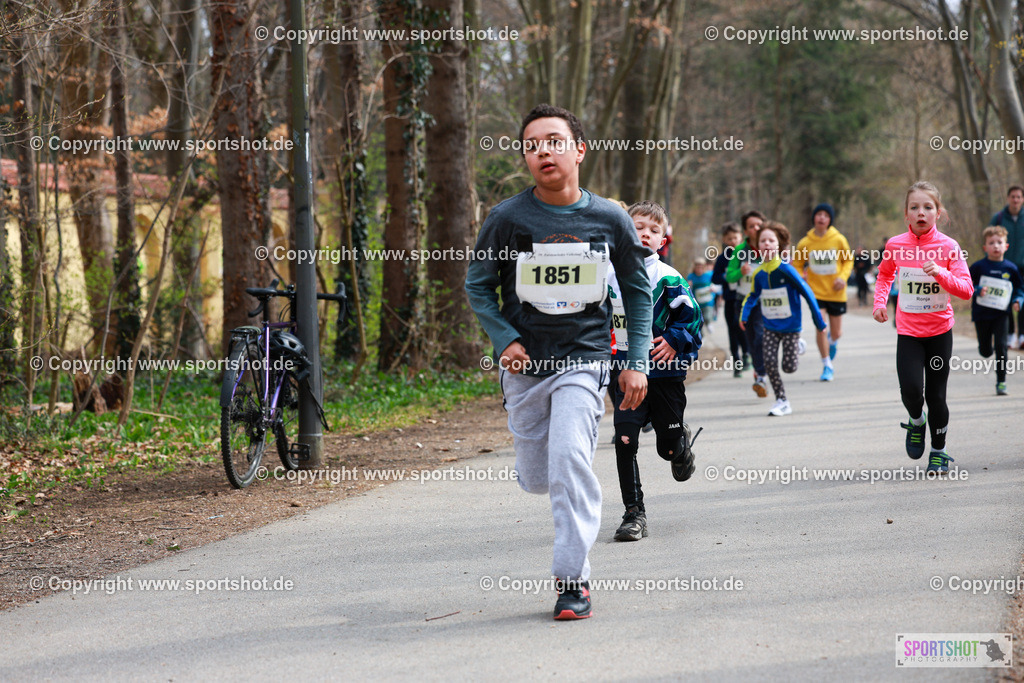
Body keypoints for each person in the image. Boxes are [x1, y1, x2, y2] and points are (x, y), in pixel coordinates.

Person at [465, 104, 653, 620]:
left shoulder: (610, 218)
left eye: (553, 141)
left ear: (579, 149)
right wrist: (504, 339)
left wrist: (635, 361)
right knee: (538, 476)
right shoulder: (507, 218)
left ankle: (573, 581)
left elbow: (638, 293)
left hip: (584, 360)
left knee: (570, 459)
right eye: (532, 145)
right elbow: (478, 285)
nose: (543, 151)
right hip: (525, 368)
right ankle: (553, 481)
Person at [608, 201, 702, 542]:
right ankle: (634, 514)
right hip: (625, 373)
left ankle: (680, 445)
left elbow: (693, 321)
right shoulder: (606, 275)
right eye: (637, 227)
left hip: (665, 375)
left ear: (663, 240)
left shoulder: (669, 278)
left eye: (653, 230)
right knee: (625, 440)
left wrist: (676, 340)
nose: (645, 234)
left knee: (668, 450)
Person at [872, 181, 973, 474]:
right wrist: (879, 303)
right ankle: (917, 421)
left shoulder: (949, 247)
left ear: (938, 213)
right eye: (914, 207)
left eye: (928, 207)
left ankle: (939, 451)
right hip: (909, 333)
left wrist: (940, 273)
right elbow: (884, 276)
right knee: (911, 391)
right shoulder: (895, 245)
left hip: (939, 331)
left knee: (936, 396)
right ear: (906, 213)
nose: (921, 212)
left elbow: (967, 290)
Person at [740, 221, 826, 416]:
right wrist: (744, 315)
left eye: (771, 240)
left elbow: (807, 293)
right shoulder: (759, 274)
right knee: (769, 363)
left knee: (789, 367)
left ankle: (798, 344)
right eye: (763, 241)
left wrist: (818, 321)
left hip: (791, 326)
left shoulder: (787, 270)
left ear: (779, 244)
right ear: (758, 246)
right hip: (770, 326)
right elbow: (752, 295)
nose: (767, 244)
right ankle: (782, 400)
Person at [791, 203, 852, 382]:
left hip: (836, 292)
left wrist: (842, 277)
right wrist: (801, 278)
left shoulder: (838, 239)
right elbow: (797, 264)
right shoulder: (805, 242)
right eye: (819, 214)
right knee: (821, 327)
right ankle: (827, 365)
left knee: (837, 332)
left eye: (826, 215)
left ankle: (832, 342)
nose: (822, 218)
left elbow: (848, 261)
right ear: (814, 218)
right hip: (815, 292)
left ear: (830, 219)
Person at [969, 226, 1024, 395]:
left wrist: (1017, 300)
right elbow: (966, 285)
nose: (995, 246)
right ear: (985, 247)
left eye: (999, 242)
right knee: (985, 351)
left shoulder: (1011, 268)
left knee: (1001, 346)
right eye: (991, 243)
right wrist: (978, 290)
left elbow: (1019, 289)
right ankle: (986, 348)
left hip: (1002, 314)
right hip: (981, 315)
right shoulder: (978, 267)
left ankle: (1001, 382)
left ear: (1006, 246)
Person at [726, 210, 768, 396]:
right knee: (752, 340)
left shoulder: (770, 245)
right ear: (745, 231)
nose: (756, 228)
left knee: (761, 336)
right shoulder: (739, 250)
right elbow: (729, 276)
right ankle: (759, 370)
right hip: (744, 302)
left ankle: (761, 375)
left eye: (759, 225)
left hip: (766, 301)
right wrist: (740, 272)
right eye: (751, 226)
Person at [988, 186, 1024, 348]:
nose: (1015, 200)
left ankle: (1022, 335)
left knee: (1021, 300)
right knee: (1006, 300)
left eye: (1018, 197)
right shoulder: (999, 218)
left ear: (1022, 199)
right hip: (1005, 267)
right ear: (1008, 198)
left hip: (1023, 267)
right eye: (1013, 196)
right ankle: (1009, 335)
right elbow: (989, 239)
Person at [712, 222, 749, 378]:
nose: (733, 241)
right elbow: (715, 278)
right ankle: (737, 363)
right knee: (732, 330)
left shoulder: (747, 255)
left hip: (745, 299)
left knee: (742, 327)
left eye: (735, 238)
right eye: (729, 239)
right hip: (730, 299)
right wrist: (727, 277)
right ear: (724, 240)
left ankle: (746, 353)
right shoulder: (722, 259)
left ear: (741, 237)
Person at [687, 258, 716, 334]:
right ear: (694, 268)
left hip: (708, 301)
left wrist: (713, 288)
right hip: (697, 302)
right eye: (698, 267)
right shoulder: (691, 276)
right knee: (699, 320)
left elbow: (714, 284)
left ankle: (709, 323)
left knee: (707, 316)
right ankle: (701, 336)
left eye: (701, 267)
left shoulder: (709, 275)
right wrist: (689, 285)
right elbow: (688, 289)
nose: (699, 269)